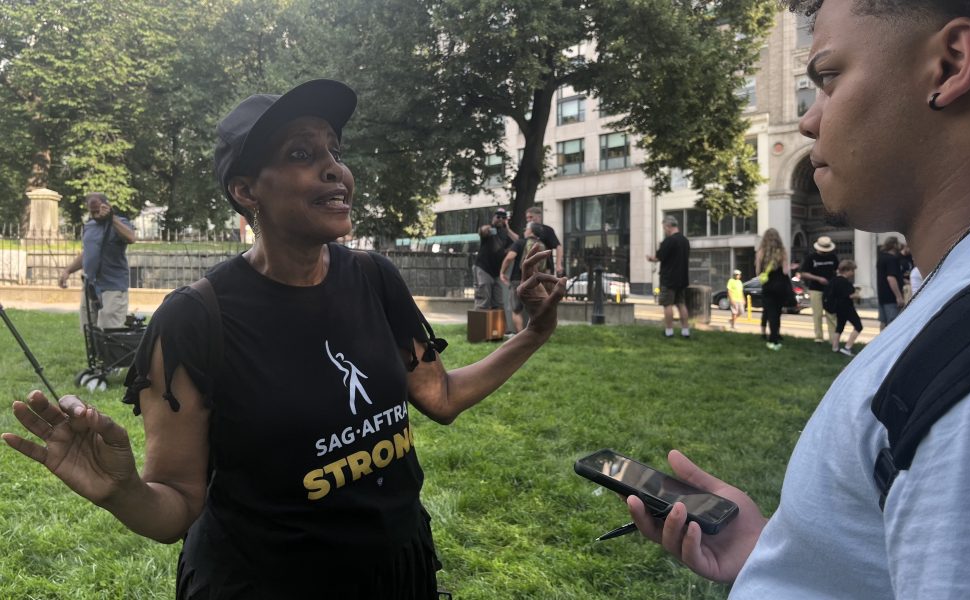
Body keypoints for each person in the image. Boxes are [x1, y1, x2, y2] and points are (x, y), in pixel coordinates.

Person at [2, 79, 567, 599]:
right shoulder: (195, 319)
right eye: (302, 154)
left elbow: (438, 396)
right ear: (246, 189)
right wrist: (124, 492)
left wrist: (535, 332)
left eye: (334, 152)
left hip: (397, 569)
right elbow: (176, 504)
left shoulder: (375, 278)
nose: (334, 170)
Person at [625, 1, 970, 598]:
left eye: (828, 78)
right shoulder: (962, 300)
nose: (807, 120)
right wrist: (783, 554)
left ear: (951, 64)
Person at [58, 192, 136, 329]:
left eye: (98, 211)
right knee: (89, 330)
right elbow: (88, 253)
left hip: (113, 286)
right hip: (91, 287)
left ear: (106, 206)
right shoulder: (89, 226)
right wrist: (68, 270)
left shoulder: (119, 222)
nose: (95, 215)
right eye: (92, 212)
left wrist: (111, 218)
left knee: (110, 330)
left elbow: (131, 238)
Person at [646, 215, 691, 339]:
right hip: (682, 278)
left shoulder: (669, 241)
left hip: (669, 278)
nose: (664, 230)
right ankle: (685, 331)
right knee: (681, 304)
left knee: (668, 305)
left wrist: (651, 259)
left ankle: (669, 331)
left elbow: (659, 257)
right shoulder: (685, 241)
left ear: (668, 226)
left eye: (664, 228)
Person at [499, 221, 548, 333]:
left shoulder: (520, 243)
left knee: (516, 309)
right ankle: (536, 334)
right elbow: (546, 266)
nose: (525, 231)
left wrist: (502, 272)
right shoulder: (542, 245)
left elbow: (509, 258)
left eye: (526, 229)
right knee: (535, 309)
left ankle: (520, 334)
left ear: (530, 231)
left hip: (518, 280)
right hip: (535, 281)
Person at [473, 208, 518, 311]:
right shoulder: (490, 229)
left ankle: (496, 321)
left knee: (498, 303)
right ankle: (479, 320)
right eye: (498, 217)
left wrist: (508, 229)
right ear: (493, 217)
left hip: (497, 271)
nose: (500, 219)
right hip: (484, 268)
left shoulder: (506, 233)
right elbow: (482, 231)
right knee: (483, 300)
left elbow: (518, 241)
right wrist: (491, 225)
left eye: (503, 217)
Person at [796, 235, 838, 343]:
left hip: (830, 289)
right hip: (815, 288)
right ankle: (819, 337)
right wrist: (818, 278)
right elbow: (803, 273)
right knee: (817, 314)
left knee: (831, 314)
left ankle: (833, 339)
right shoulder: (811, 258)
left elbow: (837, 271)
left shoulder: (833, 257)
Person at [755, 228, 790, 350]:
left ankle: (772, 339)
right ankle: (776, 335)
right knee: (778, 312)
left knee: (770, 313)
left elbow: (758, 271)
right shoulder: (782, 251)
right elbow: (785, 271)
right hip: (780, 285)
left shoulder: (761, 251)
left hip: (768, 285)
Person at [826, 259, 862, 357]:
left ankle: (835, 347)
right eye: (852, 270)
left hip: (838, 307)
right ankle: (848, 347)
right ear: (846, 270)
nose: (853, 273)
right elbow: (850, 295)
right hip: (847, 307)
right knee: (858, 326)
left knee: (840, 327)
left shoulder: (834, 280)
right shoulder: (845, 282)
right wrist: (858, 294)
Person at [875, 235, 905, 329]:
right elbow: (891, 278)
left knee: (883, 322)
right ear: (894, 245)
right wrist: (898, 296)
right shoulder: (892, 259)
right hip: (891, 297)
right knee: (893, 323)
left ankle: (881, 338)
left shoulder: (881, 258)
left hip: (882, 296)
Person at [525, 206, 564, 276]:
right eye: (527, 218)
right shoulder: (526, 230)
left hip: (545, 268)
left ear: (539, 217)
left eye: (531, 217)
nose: (528, 220)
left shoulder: (546, 229)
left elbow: (558, 246)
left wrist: (558, 265)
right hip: (528, 267)